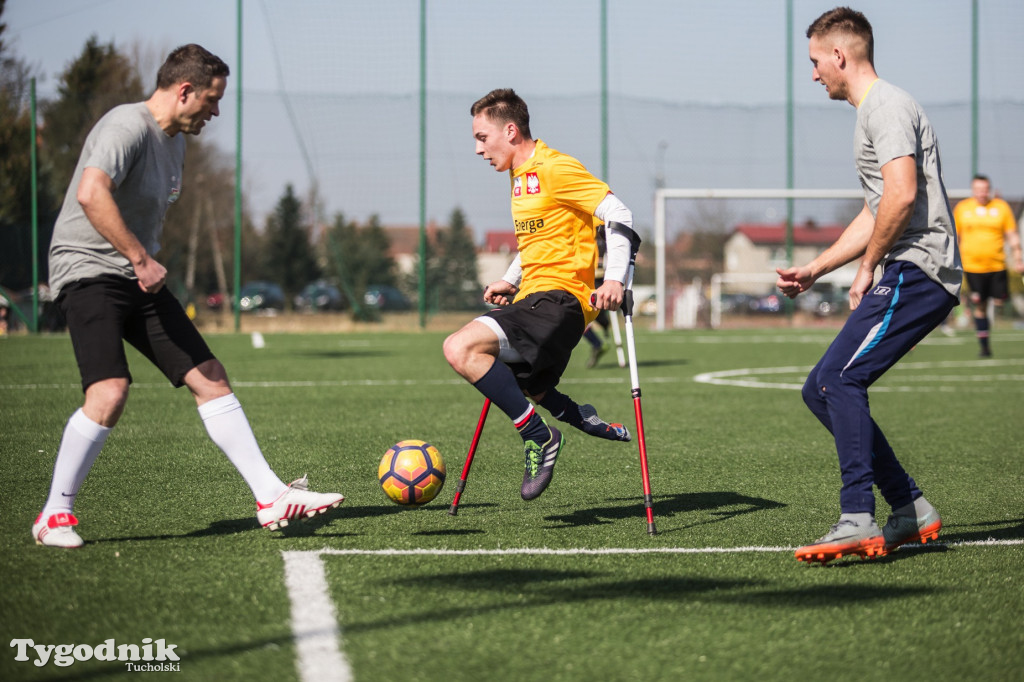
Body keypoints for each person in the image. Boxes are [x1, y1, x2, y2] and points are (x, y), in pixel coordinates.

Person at [35, 44, 343, 549]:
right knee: (109, 392)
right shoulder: (126, 126)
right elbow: (92, 194)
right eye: (212, 100)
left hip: (136, 276)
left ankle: (270, 496)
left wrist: (141, 262)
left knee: (210, 378)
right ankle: (54, 515)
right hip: (89, 270)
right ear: (184, 91)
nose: (215, 112)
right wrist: (139, 257)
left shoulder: (176, 140)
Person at [776, 8, 962, 565]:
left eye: (815, 62)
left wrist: (867, 268)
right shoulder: (873, 113)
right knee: (821, 388)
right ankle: (909, 507)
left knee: (839, 379)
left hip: (919, 268)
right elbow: (877, 207)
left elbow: (902, 198)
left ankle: (857, 516)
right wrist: (818, 268)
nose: (813, 75)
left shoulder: (886, 107)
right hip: (906, 266)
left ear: (840, 55)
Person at [443, 88, 633, 501]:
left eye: (481, 137)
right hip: (533, 296)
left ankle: (539, 435)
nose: (477, 149)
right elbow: (537, 241)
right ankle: (575, 415)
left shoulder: (555, 168)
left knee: (460, 349)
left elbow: (619, 214)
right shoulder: (518, 174)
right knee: (523, 384)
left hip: (561, 300)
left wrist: (615, 279)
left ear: (510, 131)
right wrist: (512, 278)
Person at [953, 174, 1023, 357]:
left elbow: (1012, 233)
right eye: (978, 189)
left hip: (997, 266)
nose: (981, 193)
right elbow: (954, 236)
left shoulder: (1001, 207)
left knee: (1000, 301)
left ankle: (995, 314)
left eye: (984, 189)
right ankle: (984, 347)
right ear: (973, 190)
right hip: (973, 267)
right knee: (980, 306)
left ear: (989, 189)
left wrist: (1018, 256)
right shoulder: (963, 208)